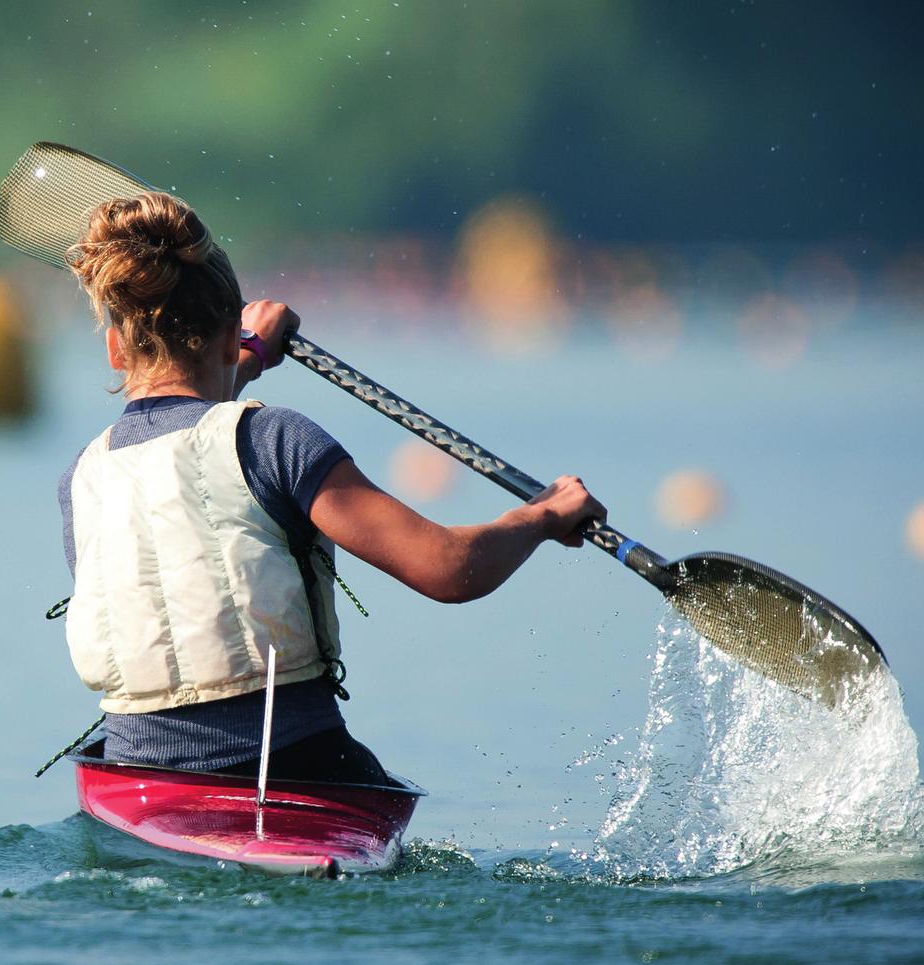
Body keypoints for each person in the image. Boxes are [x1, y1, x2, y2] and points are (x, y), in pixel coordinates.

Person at [59, 192, 607, 785]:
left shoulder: (81, 478)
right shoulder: (276, 439)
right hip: (291, 764)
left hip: (137, 775)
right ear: (225, 337)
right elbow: (450, 570)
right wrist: (542, 517)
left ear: (115, 349)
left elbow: (185, 448)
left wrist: (245, 357)